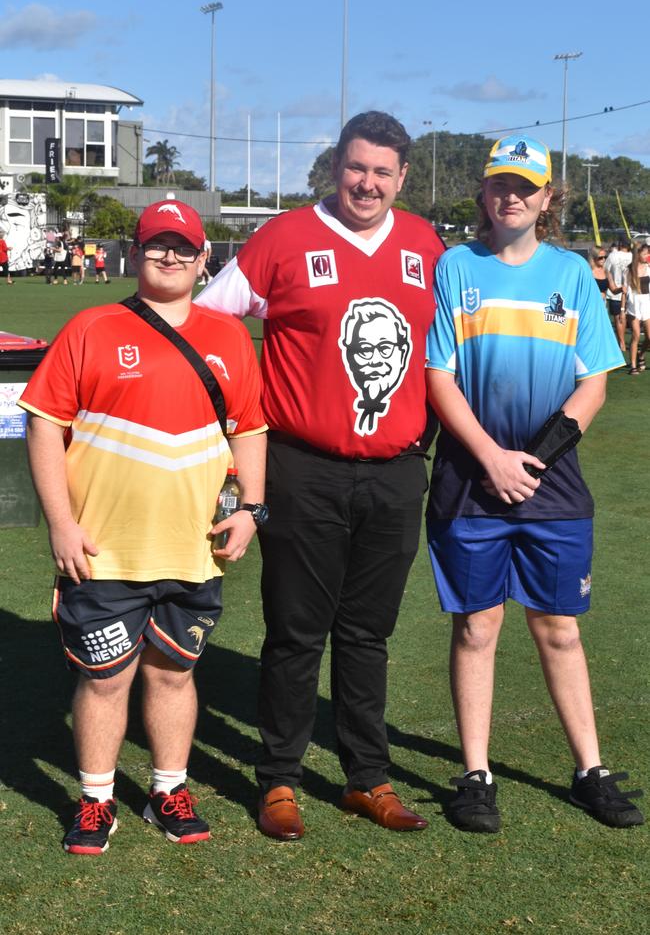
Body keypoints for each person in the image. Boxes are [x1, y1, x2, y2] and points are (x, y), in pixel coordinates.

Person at [197, 111, 445, 840]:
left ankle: (367, 778)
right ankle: (278, 780)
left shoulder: (426, 245)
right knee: (297, 633)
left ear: (402, 178)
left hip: (397, 472)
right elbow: (209, 326)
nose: (367, 183)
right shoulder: (284, 238)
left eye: (383, 172)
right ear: (336, 165)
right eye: (356, 167)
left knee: (368, 635)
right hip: (300, 468)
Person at [18, 199, 268, 855]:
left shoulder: (228, 337)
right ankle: (96, 800)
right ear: (135, 251)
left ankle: (168, 788)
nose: (169, 256)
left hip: (192, 551)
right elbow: (44, 424)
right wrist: (61, 525)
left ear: (202, 254)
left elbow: (252, 431)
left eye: (182, 247)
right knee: (105, 679)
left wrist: (251, 509)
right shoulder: (91, 327)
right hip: (102, 550)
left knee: (174, 674)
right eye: (157, 244)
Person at [425, 134, 644, 833]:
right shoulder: (455, 267)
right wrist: (491, 457)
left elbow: (594, 383)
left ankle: (589, 770)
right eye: (499, 184)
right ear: (483, 193)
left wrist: (537, 459)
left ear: (548, 198)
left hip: (551, 484)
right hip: (470, 480)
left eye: (526, 186)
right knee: (477, 627)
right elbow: (439, 376)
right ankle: (477, 774)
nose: (511, 196)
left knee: (558, 629)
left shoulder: (573, 272)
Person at [624, 242, 650, 375]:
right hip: (634, 305)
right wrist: (623, 310)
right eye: (645, 253)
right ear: (638, 254)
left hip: (647, 303)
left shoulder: (648, 267)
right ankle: (633, 366)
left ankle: (641, 354)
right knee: (635, 335)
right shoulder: (629, 269)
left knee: (649, 337)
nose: (647, 255)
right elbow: (625, 290)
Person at [605, 237, 632, 352]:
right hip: (631, 292)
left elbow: (605, 269)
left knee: (618, 317)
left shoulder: (613, 256)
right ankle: (625, 342)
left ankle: (621, 343)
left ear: (620, 244)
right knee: (626, 316)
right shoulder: (633, 256)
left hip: (616, 291)